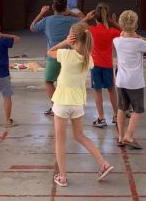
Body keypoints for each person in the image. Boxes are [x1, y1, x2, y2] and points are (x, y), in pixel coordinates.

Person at [47, 22, 114, 187]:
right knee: (80, 136)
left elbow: (49, 51)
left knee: (60, 141)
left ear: (73, 39)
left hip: (62, 103)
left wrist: (64, 42)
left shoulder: (66, 54)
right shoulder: (88, 59)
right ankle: (103, 163)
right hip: (77, 104)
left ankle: (62, 176)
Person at [30, 0, 83, 115]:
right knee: (66, 82)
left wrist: (41, 13)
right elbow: (85, 19)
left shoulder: (47, 20)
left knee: (49, 81)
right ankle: (70, 106)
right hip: (69, 56)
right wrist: (72, 13)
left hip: (52, 56)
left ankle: (56, 107)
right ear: (66, 7)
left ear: (53, 7)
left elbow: (32, 27)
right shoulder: (71, 20)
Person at [114, 10, 146, 150]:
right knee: (137, 109)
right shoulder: (139, 43)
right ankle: (129, 135)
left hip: (121, 80)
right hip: (135, 81)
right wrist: (139, 36)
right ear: (136, 25)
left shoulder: (117, 41)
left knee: (122, 108)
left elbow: (121, 36)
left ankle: (120, 136)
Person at [85, 3, 121, 128]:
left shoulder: (91, 30)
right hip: (108, 65)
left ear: (95, 17)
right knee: (111, 90)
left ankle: (101, 118)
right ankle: (117, 115)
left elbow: (76, 28)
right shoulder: (111, 31)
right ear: (107, 17)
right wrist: (115, 23)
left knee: (97, 91)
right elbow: (126, 32)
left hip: (95, 65)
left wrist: (85, 18)